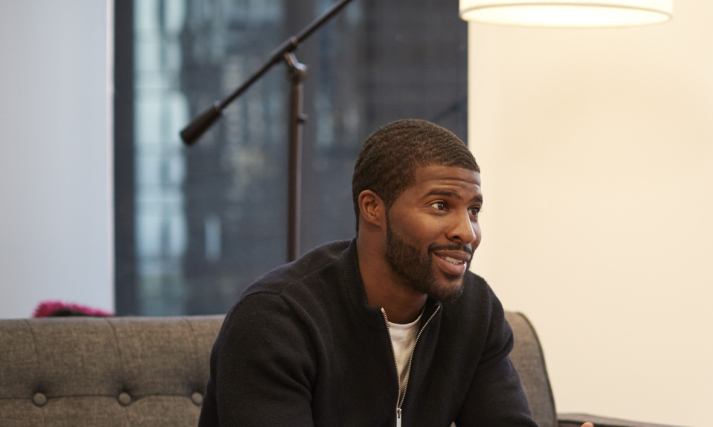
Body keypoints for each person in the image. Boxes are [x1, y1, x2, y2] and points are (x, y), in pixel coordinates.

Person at [199, 119, 590, 427]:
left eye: (473, 210)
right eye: (440, 205)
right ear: (373, 208)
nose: (467, 232)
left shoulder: (474, 309)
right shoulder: (274, 321)